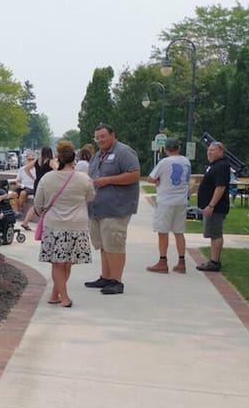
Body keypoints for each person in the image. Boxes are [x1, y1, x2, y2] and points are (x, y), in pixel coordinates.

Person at [34, 140, 95, 307]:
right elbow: (91, 198)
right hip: (78, 225)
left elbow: (38, 204)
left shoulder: (47, 178)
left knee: (58, 262)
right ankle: (63, 296)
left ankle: (56, 294)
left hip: (54, 225)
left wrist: (45, 213)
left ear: (58, 157)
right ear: (73, 158)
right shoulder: (84, 178)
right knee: (66, 262)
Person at [84, 124, 141, 295]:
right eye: (97, 137)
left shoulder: (124, 152)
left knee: (114, 244)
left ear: (112, 135)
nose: (100, 140)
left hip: (116, 208)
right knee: (103, 244)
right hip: (97, 208)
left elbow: (134, 174)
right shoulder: (97, 156)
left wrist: (108, 180)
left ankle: (117, 281)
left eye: (103, 136)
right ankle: (106, 277)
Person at [145, 138, 191, 273]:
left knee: (163, 232)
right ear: (179, 148)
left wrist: (158, 181)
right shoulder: (186, 161)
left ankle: (162, 261)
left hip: (166, 201)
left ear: (165, 149)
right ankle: (181, 261)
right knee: (179, 232)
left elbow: (151, 178)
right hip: (181, 201)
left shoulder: (165, 162)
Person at [195, 141, 231, 272]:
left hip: (216, 207)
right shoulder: (215, 165)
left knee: (215, 234)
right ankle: (213, 260)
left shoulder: (221, 166)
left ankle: (215, 262)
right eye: (208, 150)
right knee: (212, 233)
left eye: (213, 150)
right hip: (211, 207)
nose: (209, 152)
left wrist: (211, 205)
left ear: (221, 152)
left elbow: (220, 187)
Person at [21, 146, 58, 230]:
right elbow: (58, 170)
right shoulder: (51, 161)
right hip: (47, 183)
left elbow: (26, 168)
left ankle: (25, 222)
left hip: (37, 183)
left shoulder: (38, 160)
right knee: (48, 204)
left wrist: (33, 178)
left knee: (36, 204)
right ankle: (44, 224)